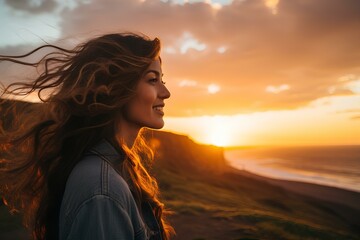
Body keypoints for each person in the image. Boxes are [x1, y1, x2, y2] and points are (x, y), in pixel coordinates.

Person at [0, 33, 174, 240]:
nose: (166, 92)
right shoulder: (102, 190)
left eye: (162, 80)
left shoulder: (116, 170)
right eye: (153, 80)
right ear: (114, 87)